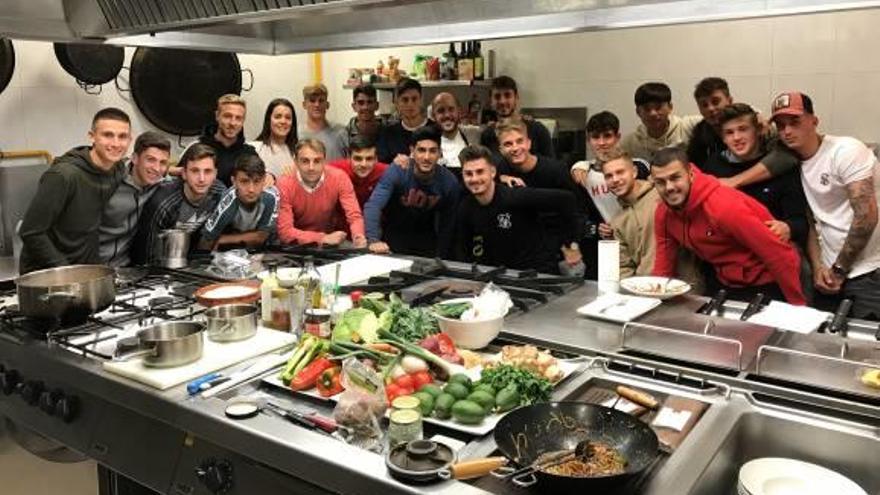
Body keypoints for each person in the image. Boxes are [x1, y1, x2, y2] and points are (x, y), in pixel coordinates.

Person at [771, 91, 880, 319]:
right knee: (821, 344)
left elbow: (866, 216)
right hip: (829, 274)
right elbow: (812, 221)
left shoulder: (846, 151)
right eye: (780, 126)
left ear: (814, 120)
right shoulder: (792, 163)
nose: (787, 131)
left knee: (865, 349)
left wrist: (840, 269)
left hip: (869, 272)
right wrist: (819, 266)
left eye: (795, 122)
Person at [650, 147, 805, 305]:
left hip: (767, 278)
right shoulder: (664, 213)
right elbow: (664, 262)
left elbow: (778, 254)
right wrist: (654, 302)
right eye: (660, 182)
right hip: (725, 280)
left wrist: (798, 308)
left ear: (690, 174)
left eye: (675, 178)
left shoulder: (723, 207)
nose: (669, 187)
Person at [19, 107, 130, 274]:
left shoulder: (117, 169)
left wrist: (174, 170)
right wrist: (67, 271)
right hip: (46, 274)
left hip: (85, 269)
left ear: (130, 139)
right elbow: (31, 232)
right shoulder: (63, 175)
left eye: (122, 137)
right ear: (92, 136)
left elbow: (138, 166)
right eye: (107, 135)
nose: (115, 143)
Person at [454, 145, 584, 276]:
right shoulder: (466, 208)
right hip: (500, 275)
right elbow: (464, 251)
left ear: (493, 172)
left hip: (537, 274)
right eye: (468, 174)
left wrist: (572, 244)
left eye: (480, 172)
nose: (475, 179)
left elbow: (567, 200)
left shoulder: (516, 197)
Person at [494, 118, 592, 275]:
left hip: (558, 245)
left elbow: (578, 210)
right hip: (522, 247)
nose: (515, 148)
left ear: (529, 143)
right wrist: (500, 179)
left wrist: (572, 244)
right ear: (500, 149)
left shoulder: (555, 170)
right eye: (508, 144)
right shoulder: (501, 169)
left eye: (519, 141)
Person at [703, 103, 808, 249]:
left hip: (771, 247)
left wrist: (787, 227)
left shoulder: (782, 166)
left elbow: (800, 222)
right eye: (729, 132)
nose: (737, 137)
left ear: (758, 130)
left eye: (743, 129)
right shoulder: (713, 166)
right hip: (728, 250)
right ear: (723, 138)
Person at [600, 148, 702, 288]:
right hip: (646, 293)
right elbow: (624, 267)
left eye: (620, 172)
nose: (615, 179)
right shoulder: (617, 222)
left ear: (634, 172)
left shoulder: (663, 194)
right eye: (609, 176)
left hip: (684, 287)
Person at [364, 125, 461, 257]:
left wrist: (441, 257)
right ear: (412, 151)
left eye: (432, 151)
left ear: (440, 153)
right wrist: (373, 240)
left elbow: (448, 225)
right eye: (421, 150)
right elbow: (373, 205)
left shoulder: (449, 182)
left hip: (426, 241)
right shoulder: (398, 170)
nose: (427, 157)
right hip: (394, 237)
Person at [687, 77, 799, 190]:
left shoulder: (763, 127)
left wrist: (735, 181)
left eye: (716, 101)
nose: (710, 108)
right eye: (704, 105)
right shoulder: (700, 134)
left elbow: (790, 155)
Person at [130, 144, 227, 265]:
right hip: (154, 265)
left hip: (189, 262)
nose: (202, 179)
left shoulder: (219, 193)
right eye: (195, 171)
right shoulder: (163, 203)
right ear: (184, 173)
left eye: (208, 171)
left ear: (215, 174)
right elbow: (144, 255)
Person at [570, 111, 650, 240]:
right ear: (588, 140)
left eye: (607, 136)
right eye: (596, 137)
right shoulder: (582, 174)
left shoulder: (639, 167)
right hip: (606, 243)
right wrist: (596, 229)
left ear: (617, 137)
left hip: (639, 237)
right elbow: (576, 216)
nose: (602, 143)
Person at [99, 131, 171, 267]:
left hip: (126, 268)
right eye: (150, 160)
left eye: (162, 162)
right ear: (135, 158)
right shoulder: (109, 182)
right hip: (92, 264)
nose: (156, 168)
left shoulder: (161, 184)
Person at [276, 139, 366, 247]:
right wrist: (322, 238)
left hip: (329, 243)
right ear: (295, 162)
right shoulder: (284, 184)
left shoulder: (339, 177)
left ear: (324, 161)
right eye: (305, 161)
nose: (311, 167)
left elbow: (354, 215)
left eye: (317, 161)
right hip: (295, 245)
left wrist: (358, 236)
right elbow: (285, 232)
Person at [200, 154, 279, 250]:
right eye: (244, 181)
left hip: (268, 249)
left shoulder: (271, 196)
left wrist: (223, 239)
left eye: (257, 181)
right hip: (233, 251)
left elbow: (262, 237)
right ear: (234, 181)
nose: (251, 189)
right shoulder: (228, 201)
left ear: (264, 180)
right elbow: (208, 238)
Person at [182, 93, 257, 187]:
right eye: (227, 116)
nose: (232, 123)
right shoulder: (197, 147)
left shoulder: (249, 152)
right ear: (217, 116)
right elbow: (178, 175)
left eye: (238, 118)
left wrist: (270, 176)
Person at [620, 82, 702, 162]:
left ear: (670, 107)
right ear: (638, 112)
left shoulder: (688, 126)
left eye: (658, 107)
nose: (653, 113)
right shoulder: (630, 143)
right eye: (646, 109)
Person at [478, 75, 553, 158]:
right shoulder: (487, 135)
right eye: (497, 97)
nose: (502, 101)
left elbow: (552, 167)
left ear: (516, 97)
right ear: (491, 101)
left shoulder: (538, 130)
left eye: (507, 95)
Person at [377, 78, 431, 165]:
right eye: (405, 100)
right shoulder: (388, 134)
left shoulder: (435, 130)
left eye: (414, 99)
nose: (410, 104)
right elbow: (382, 168)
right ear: (396, 103)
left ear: (421, 100)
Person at [328, 135, 388, 208]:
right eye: (358, 158)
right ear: (349, 158)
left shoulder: (385, 170)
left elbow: (402, 174)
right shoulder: (336, 169)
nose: (363, 164)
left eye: (369, 159)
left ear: (376, 159)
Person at [249, 98, 297, 183]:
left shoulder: (299, 152)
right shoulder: (253, 148)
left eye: (288, 118)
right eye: (278, 117)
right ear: (269, 120)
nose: (283, 121)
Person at [298, 83, 349, 161]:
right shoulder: (297, 134)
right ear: (304, 105)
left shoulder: (341, 132)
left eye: (321, 101)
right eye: (312, 101)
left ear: (327, 105)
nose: (317, 105)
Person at [431, 92, 470, 172]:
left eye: (451, 109)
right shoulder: (427, 144)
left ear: (459, 111)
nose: (447, 115)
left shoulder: (473, 135)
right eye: (441, 111)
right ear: (433, 116)